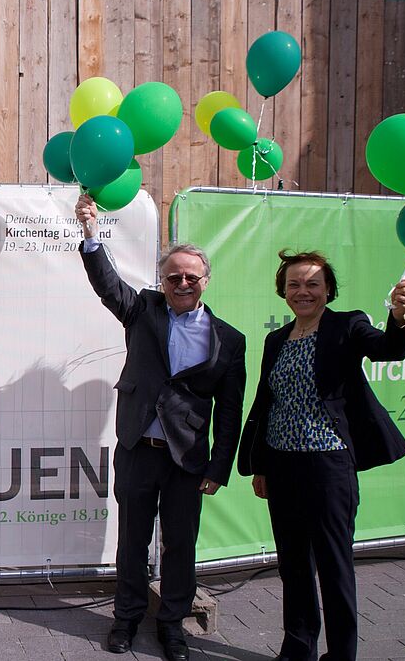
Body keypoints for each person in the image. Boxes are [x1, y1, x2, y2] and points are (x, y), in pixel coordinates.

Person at [75, 195, 246, 661]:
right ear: (162, 281)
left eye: (192, 277)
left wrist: (219, 465)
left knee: (181, 545)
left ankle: (173, 625)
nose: (183, 283)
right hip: (137, 447)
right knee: (131, 540)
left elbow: (230, 409)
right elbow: (108, 284)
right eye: (174, 276)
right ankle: (126, 619)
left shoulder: (229, 340)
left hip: (188, 458)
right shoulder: (143, 310)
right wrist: (91, 231)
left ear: (206, 281)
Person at [237, 251, 405, 661]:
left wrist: (400, 316)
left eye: (313, 284)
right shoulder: (276, 340)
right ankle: (297, 648)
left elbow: (388, 348)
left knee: (334, 568)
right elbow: (269, 403)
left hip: (328, 466)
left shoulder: (347, 324)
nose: (303, 292)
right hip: (282, 466)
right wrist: (260, 466)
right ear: (283, 291)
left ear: (328, 291)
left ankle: (341, 656)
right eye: (295, 284)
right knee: (293, 566)